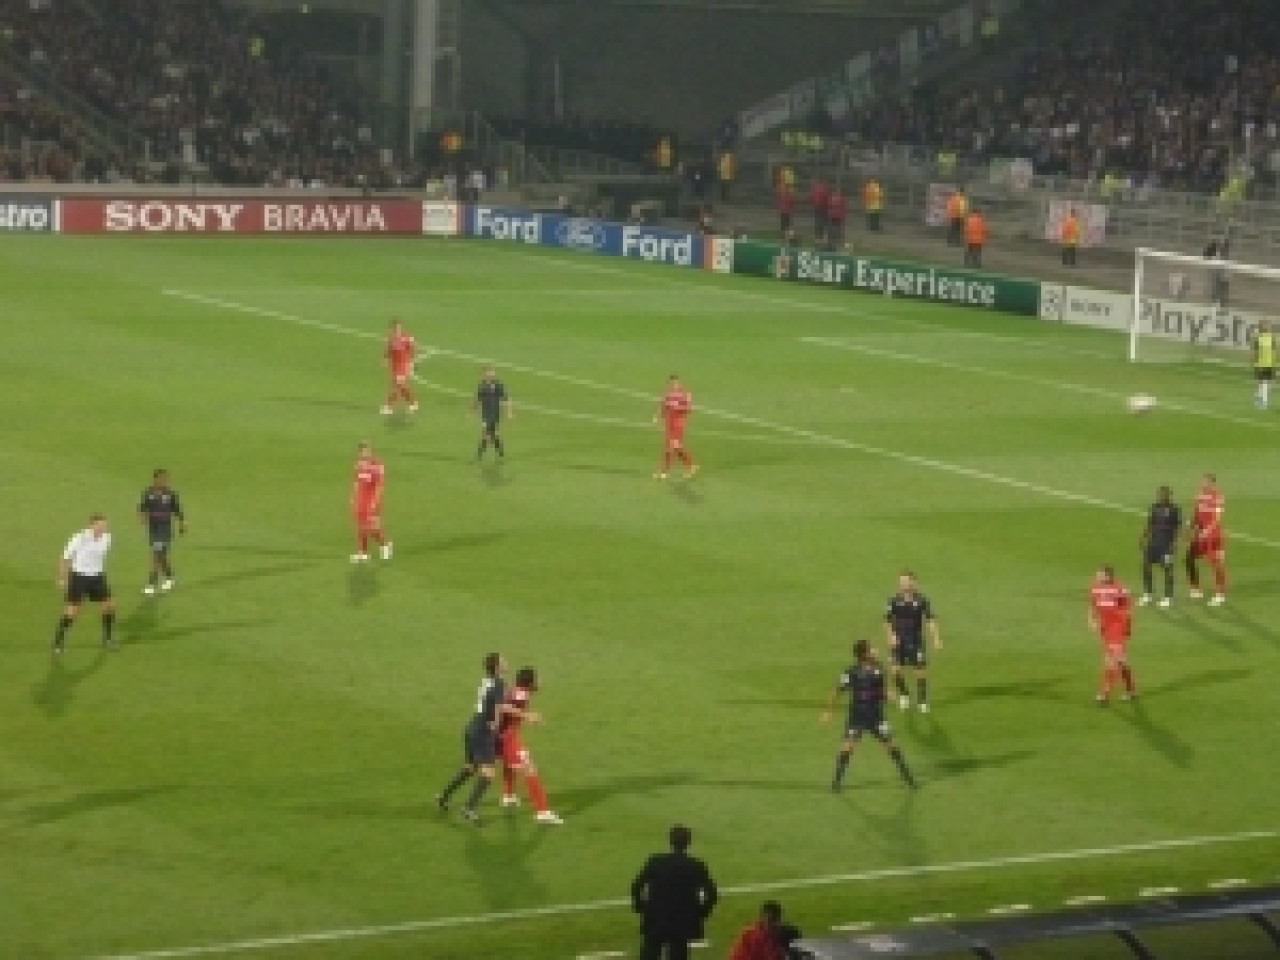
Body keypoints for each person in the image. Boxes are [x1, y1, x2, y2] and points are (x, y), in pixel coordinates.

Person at [436, 652, 533, 823]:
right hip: (482, 729)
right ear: (497, 667)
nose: (506, 661)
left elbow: (491, 703)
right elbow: (501, 706)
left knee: (471, 767)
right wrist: (524, 716)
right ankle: (469, 808)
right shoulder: (499, 683)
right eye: (503, 660)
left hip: (472, 725)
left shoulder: (487, 681)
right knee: (488, 773)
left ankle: (443, 796)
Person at [822, 639, 918, 790]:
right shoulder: (851, 672)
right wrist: (828, 711)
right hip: (857, 715)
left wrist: (895, 698)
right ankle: (836, 782)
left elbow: (882, 690)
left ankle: (908, 778)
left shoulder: (879, 669)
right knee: (848, 746)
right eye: (871, 648)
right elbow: (837, 691)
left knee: (891, 745)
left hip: (876, 716)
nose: (875, 649)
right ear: (865, 654)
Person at [630, 824, 718, 960]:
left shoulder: (655, 862)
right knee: (678, 953)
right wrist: (700, 913)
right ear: (688, 842)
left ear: (670, 840)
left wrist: (642, 907)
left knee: (650, 952)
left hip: (656, 918)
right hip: (682, 922)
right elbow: (711, 894)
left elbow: (637, 886)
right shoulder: (695, 865)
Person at [497, 666, 564, 824]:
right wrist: (527, 715)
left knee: (509, 764)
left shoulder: (516, 690)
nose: (540, 681)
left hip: (501, 737)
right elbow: (504, 707)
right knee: (530, 769)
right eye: (537, 678)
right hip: (508, 739)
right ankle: (542, 811)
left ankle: (508, 796)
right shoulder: (520, 694)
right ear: (530, 682)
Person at [53, 513, 116, 653]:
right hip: (79, 577)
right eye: (100, 525)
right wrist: (62, 578)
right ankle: (58, 642)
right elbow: (65, 558)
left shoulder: (107, 538)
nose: (103, 528)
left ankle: (108, 639)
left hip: (97, 577)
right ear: (91, 525)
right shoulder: (79, 538)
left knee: (109, 606)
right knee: (73, 612)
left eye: (104, 526)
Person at [884, 571, 941, 712]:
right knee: (895, 670)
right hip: (898, 640)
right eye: (901, 581)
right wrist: (891, 636)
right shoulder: (894, 601)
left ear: (913, 582)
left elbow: (930, 620)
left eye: (905, 581)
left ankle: (922, 700)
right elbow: (887, 620)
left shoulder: (921, 600)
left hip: (915, 640)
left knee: (920, 671)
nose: (902, 584)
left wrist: (936, 638)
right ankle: (904, 694)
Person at [1090, 565, 1135, 703]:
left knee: (1110, 659)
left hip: (1117, 627)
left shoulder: (1120, 589)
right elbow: (1093, 604)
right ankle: (1130, 689)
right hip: (1105, 628)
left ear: (1108, 576)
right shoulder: (1095, 588)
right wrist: (1092, 619)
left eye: (1100, 574)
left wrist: (1126, 628)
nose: (1097, 576)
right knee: (1121, 660)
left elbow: (1128, 609)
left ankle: (1105, 693)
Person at [138, 468, 186, 595]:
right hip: (153, 528)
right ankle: (170, 578)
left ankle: (151, 584)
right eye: (162, 479)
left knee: (157, 555)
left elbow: (177, 509)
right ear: (155, 479)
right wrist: (142, 518)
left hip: (165, 529)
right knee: (162, 556)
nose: (164, 481)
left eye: (166, 479)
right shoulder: (148, 493)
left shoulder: (170, 494)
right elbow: (142, 508)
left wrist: (182, 523)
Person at [1185, 473, 1226, 606]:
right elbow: (1196, 514)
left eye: (1207, 482)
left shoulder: (1218, 497)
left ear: (1213, 483)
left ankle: (1220, 594)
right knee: (1189, 558)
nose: (1204, 484)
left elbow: (1217, 518)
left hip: (1214, 535)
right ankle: (1195, 589)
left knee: (1216, 563)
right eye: (1203, 482)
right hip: (1201, 534)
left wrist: (1208, 530)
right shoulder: (1200, 495)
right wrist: (1190, 525)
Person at [1139, 485, 1182, 608]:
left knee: (1168, 569)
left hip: (1167, 545)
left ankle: (1168, 597)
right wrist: (1143, 537)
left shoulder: (1175, 509)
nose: (1161, 497)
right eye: (1160, 495)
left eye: (1164, 495)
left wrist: (1175, 543)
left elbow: (1178, 528)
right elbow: (1149, 523)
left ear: (1169, 496)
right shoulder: (1154, 507)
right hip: (1153, 544)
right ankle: (1148, 594)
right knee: (1145, 565)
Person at [350, 441, 391, 562]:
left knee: (372, 526)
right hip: (361, 499)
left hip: (372, 500)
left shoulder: (377, 465)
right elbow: (357, 482)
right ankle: (363, 553)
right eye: (362, 451)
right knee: (360, 526)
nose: (364, 453)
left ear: (370, 450)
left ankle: (385, 545)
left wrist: (375, 502)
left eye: (366, 450)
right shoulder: (359, 465)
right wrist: (353, 497)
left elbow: (379, 486)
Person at [654, 374, 697, 480]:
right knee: (675, 446)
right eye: (672, 383)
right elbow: (662, 406)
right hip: (669, 424)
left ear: (679, 382)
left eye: (675, 382)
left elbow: (689, 408)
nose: (674, 384)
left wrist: (679, 407)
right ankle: (691, 466)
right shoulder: (667, 394)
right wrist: (657, 416)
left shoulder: (685, 394)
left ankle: (664, 472)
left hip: (679, 423)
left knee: (672, 446)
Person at [728, 901, 800, 960]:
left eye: (775, 920)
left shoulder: (783, 935)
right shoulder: (750, 935)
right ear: (761, 918)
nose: (773, 924)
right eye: (769, 920)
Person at [381, 318, 418, 416]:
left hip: (403, 365)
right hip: (395, 366)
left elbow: (412, 349)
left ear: (401, 327)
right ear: (392, 328)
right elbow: (388, 350)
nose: (397, 329)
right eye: (395, 328)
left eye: (398, 327)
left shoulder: (406, 337)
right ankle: (413, 403)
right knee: (402, 386)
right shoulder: (391, 339)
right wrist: (385, 359)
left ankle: (388, 406)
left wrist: (412, 362)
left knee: (397, 385)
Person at [474, 366, 512, 461]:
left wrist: (509, 412)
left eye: (492, 375)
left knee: (493, 434)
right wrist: (472, 409)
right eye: (489, 375)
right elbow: (478, 399)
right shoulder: (482, 386)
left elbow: (506, 399)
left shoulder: (498, 386)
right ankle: (484, 455)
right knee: (486, 434)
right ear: (485, 375)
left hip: (495, 414)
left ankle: (497, 453)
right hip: (485, 414)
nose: (491, 376)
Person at [1250, 320, 1274, 410]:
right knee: (1262, 383)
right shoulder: (1259, 338)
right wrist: (1254, 360)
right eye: (1265, 326)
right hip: (1260, 364)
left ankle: (1262, 400)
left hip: (1269, 363)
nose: (1267, 328)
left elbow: (1274, 350)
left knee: (1266, 383)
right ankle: (1261, 401)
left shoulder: (1271, 338)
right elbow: (1254, 351)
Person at [809, 177, 829, 247]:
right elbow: (826, 197)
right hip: (823, 206)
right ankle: (822, 236)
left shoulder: (815, 188)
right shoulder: (824, 188)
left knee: (818, 221)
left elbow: (812, 196)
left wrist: (814, 203)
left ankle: (818, 236)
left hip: (817, 206)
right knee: (822, 221)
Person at [825, 185, 847, 250]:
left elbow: (843, 207)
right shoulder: (833, 198)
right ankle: (833, 241)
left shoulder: (835, 199)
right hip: (834, 216)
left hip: (836, 216)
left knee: (836, 229)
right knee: (833, 229)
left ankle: (835, 240)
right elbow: (829, 206)